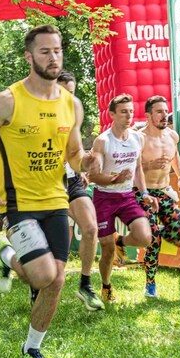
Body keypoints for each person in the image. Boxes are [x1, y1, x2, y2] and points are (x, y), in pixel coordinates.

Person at [0, 24, 99, 358]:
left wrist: (87, 161)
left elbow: (73, 154)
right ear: (29, 57)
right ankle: (4, 254)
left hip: (55, 199)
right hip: (19, 203)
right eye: (45, 52)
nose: (53, 58)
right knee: (42, 274)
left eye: (57, 51)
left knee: (56, 280)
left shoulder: (72, 104)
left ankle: (31, 350)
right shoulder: (9, 99)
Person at [87, 93, 158, 303]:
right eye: (123, 112)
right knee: (107, 250)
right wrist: (116, 179)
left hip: (127, 196)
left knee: (145, 237)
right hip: (104, 197)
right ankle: (106, 285)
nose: (128, 117)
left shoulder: (138, 138)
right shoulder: (103, 141)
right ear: (112, 115)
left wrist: (144, 193)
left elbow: (137, 169)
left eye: (131, 112)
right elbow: (93, 175)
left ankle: (122, 240)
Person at [55, 70, 104, 311]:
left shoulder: (73, 115)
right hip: (47, 183)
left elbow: (74, 151)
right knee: (55, 238)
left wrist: (85, 164)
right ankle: (40, 285)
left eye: (71, 93)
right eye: (64, 92)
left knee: (91, 227)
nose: (68, 98)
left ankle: (85, 284)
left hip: (72, 180)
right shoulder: (40, 114)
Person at [138, 96, 180, 297]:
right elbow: (132, 167)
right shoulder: (139, 138)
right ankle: (150, 282)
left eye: (165, 111)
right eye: (159, 111)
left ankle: (157, 229)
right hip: (143, 192)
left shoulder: (172, 136)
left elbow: (174, 156)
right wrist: (148, 167)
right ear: (149, 115)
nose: (164, 115)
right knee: (152, 239)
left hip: (164, 190)